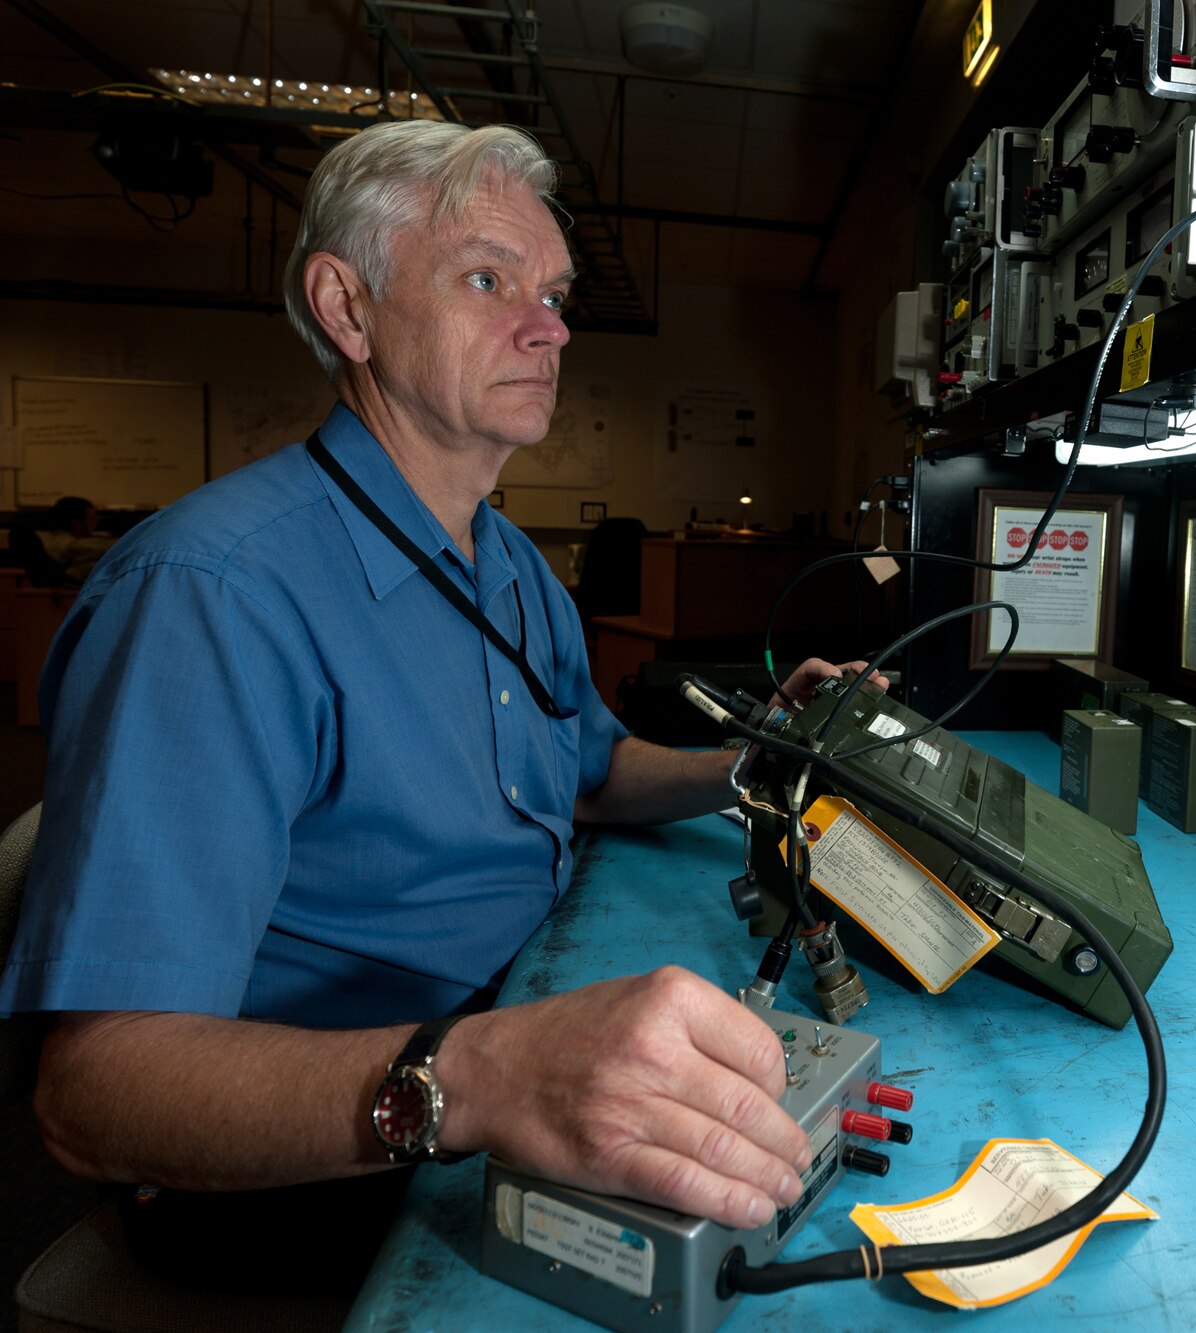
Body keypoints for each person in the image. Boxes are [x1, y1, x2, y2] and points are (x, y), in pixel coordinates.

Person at [0, 121, 858, 1290]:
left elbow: (592, 772)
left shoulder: (510, 566)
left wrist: (763, 761)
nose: (549, 325)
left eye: (553, 293)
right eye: (487, 279)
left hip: (506, 1036)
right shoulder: (212, 597)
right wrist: (494, 1074)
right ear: (346, 310)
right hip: (333, 1161)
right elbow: (96, 1093)